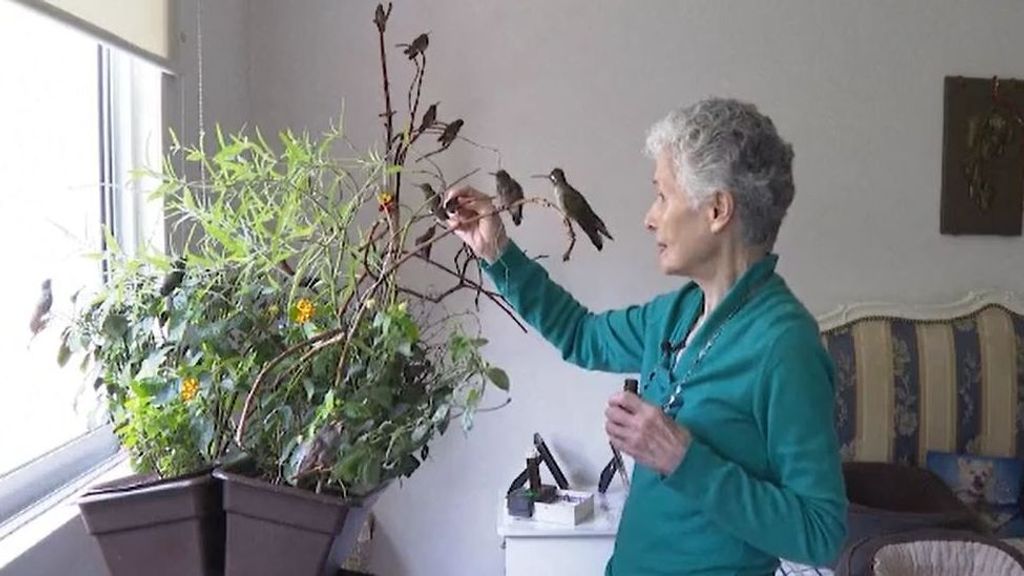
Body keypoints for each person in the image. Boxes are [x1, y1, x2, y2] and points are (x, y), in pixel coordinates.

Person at [446, 97, 847, 575]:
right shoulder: (675, 314)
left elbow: (821, 533)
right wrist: (496, 251)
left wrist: (683, 458)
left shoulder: (785, 347)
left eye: (662, 195)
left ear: (717, 209)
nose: (649, 218)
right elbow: (581, 335)